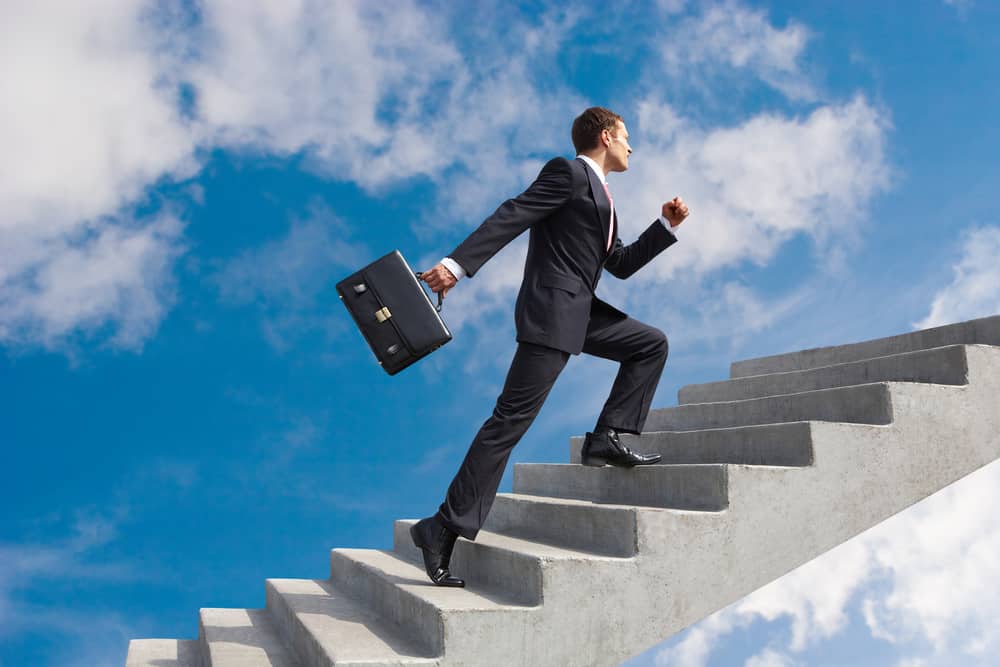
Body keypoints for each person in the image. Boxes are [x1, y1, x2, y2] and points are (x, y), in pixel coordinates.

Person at [412, 107, 690, 587]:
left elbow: (618, 264)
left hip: (580, 315)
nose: (631, 146)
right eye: (626, 137)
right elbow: (513, 213)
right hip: (551, 315)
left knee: (650, 345)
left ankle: (605, 437)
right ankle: (441, 527)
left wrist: (663, 228)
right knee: (508, 423)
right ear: (606, 136)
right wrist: (456, 266)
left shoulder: (603, 198)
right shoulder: (567, 173)